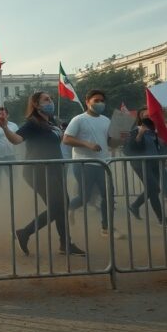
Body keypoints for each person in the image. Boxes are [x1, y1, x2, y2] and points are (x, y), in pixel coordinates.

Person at [0, 91, 86, 257]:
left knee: (61, 205)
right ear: (36, 105)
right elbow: (17, 140)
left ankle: (64, 243)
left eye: (51, 98)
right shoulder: (32, 123)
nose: (50, 101)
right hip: (38, 170)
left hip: (55, 168)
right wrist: (4, 127)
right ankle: (25, 232)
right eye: (46, 99)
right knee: (59, 206)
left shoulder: (52, 122)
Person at [63, 90, 123, 238]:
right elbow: (66, 139)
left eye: (102, 101)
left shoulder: (106, 120)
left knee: (108, 195)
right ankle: (69, 208)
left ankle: (106, 228)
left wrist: (121, 138)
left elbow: (111, 143)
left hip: (102, 163)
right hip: (83, 163)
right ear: (87, 101)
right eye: (96, 100)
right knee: (85, 197)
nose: (100, 103)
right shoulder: (79, 119)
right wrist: (86, 144)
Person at [124, 108, 167, 228]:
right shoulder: (134, 130)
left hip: (155, 163)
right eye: (145, 115)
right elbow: (130, 149)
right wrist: (140, 134)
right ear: (140, 117)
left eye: (150, 115)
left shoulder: (154, 131)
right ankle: (162, 219)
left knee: (155, 189)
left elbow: (160, 147)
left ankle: (135, 205)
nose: (148, 117)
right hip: (141, 163)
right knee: (154, 189)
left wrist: (163, 158)